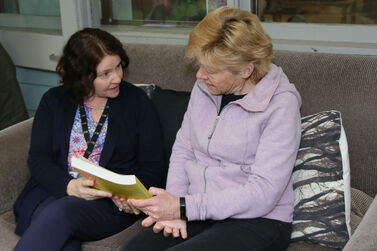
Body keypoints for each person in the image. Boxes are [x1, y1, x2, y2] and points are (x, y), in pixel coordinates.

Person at [120, 6, 302, 251]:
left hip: (257, 219)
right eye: (200, 64)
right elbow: (184, 147)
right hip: (199, 210)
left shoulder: (281, 105)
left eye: (211, 70)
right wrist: (175, 206)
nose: (199, 75)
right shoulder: (207, 87)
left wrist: (184, 207)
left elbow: (263, 192)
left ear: (246, 70)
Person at [13, 28, 166, 251]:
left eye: (119, 67)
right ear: (82, 75)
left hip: (108, 203)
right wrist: (70, 186)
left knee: (61, 213)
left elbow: (154, 165)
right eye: (105, 74)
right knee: (65, 238)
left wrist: (128, 195)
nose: (117, 77)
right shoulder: (54, 101)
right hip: (53, 191)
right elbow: (39, 159)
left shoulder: (136, 102)